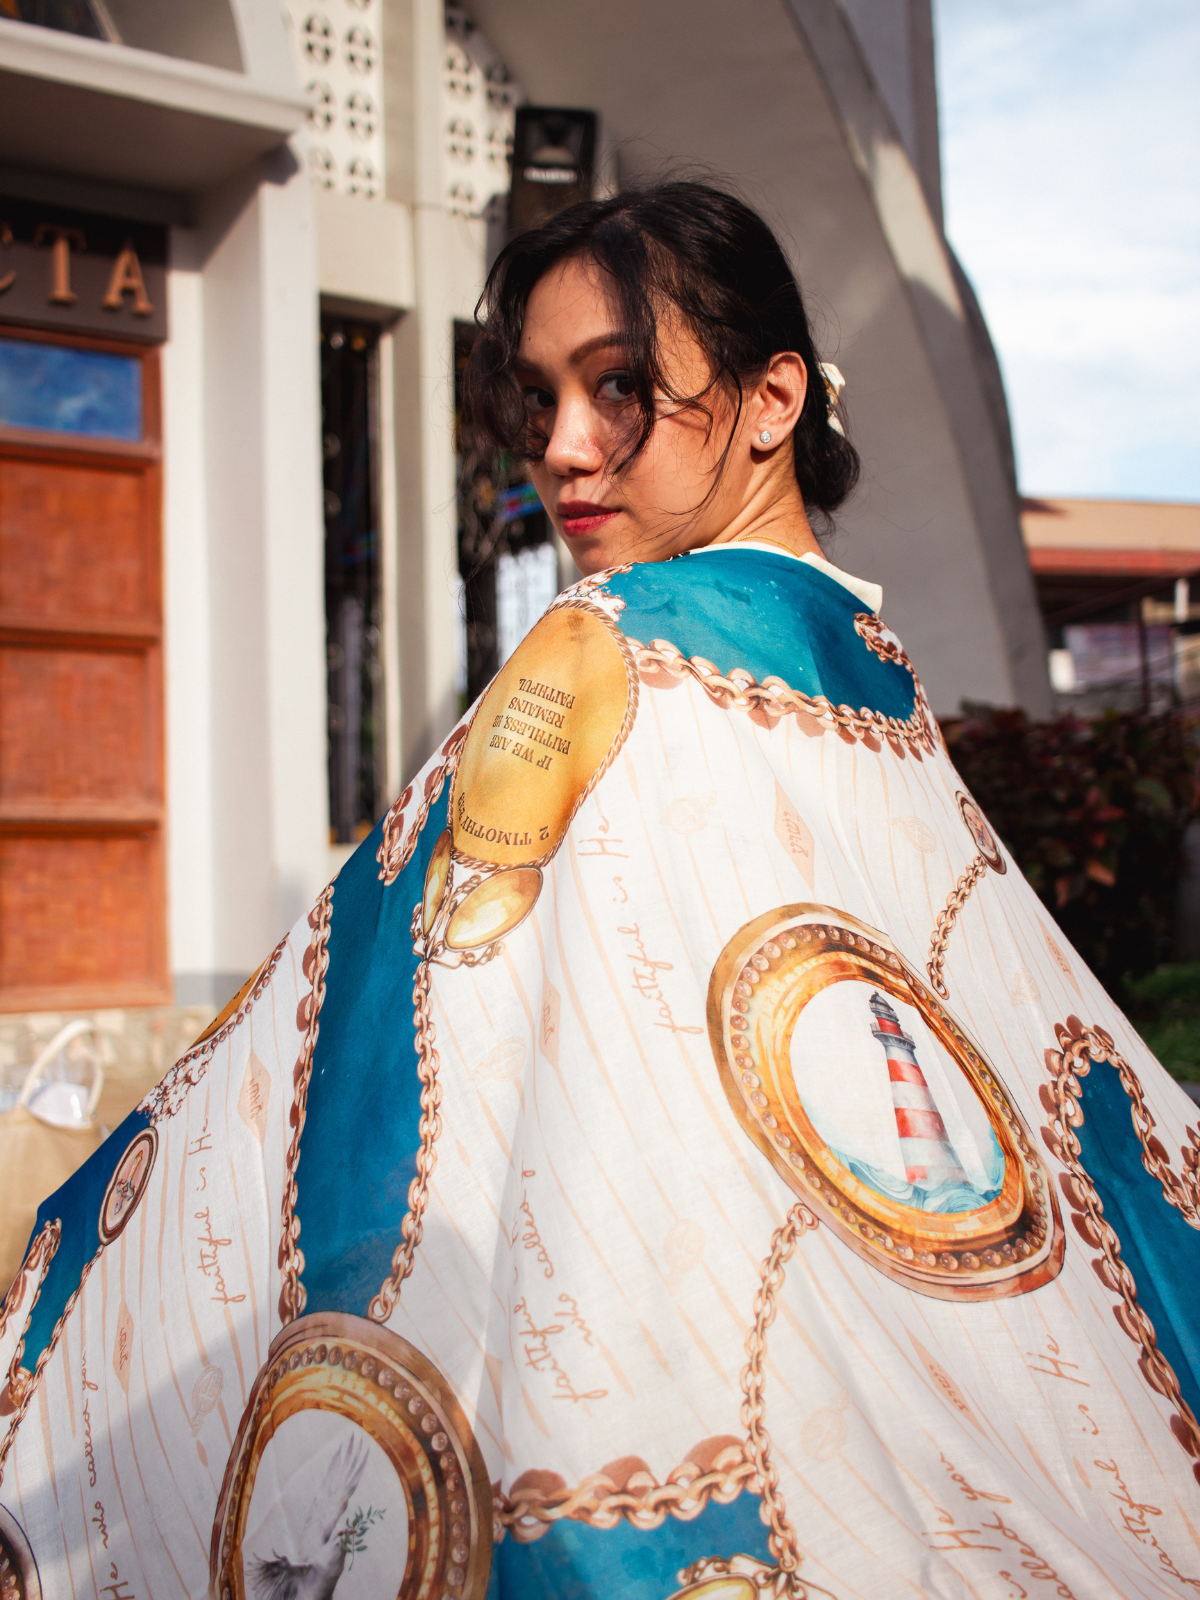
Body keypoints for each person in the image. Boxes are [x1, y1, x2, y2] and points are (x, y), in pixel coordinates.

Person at [2, 181, 1198, 1600]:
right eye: (542, 397)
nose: (564, 449)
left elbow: (374, 1007)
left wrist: (85, 1248)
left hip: (640, 1345)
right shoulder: (859, 658)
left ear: (772, 400)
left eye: (621, 387)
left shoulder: (608, 642)